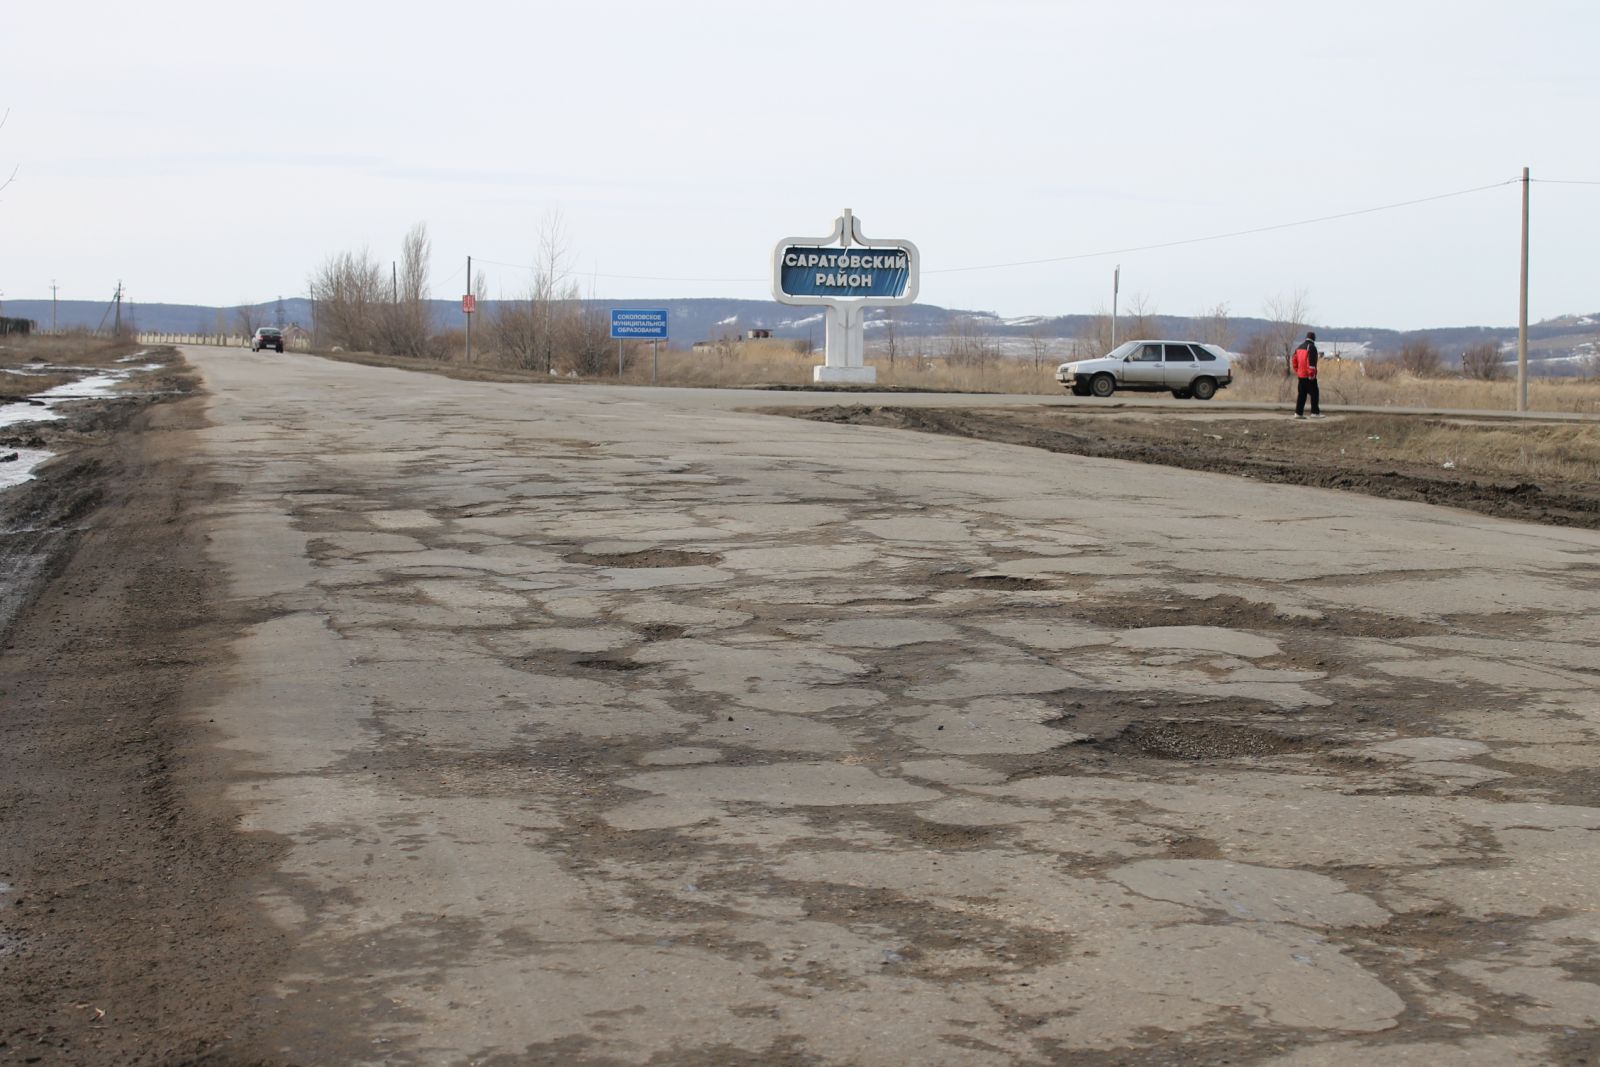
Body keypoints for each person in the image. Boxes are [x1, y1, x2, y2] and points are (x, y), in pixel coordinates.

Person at [1292, 331, 1322, 418]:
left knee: (1301, 395)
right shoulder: (1311, 347)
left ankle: (1298, 413)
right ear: (1314, 338)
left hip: (1301, 375)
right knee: (1314, 394)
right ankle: (1315, 412)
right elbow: (1311, 362)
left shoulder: (1299, 347)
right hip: (1309, 376)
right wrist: (1311, 374)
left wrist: (1298, 370)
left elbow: (1294, 360)